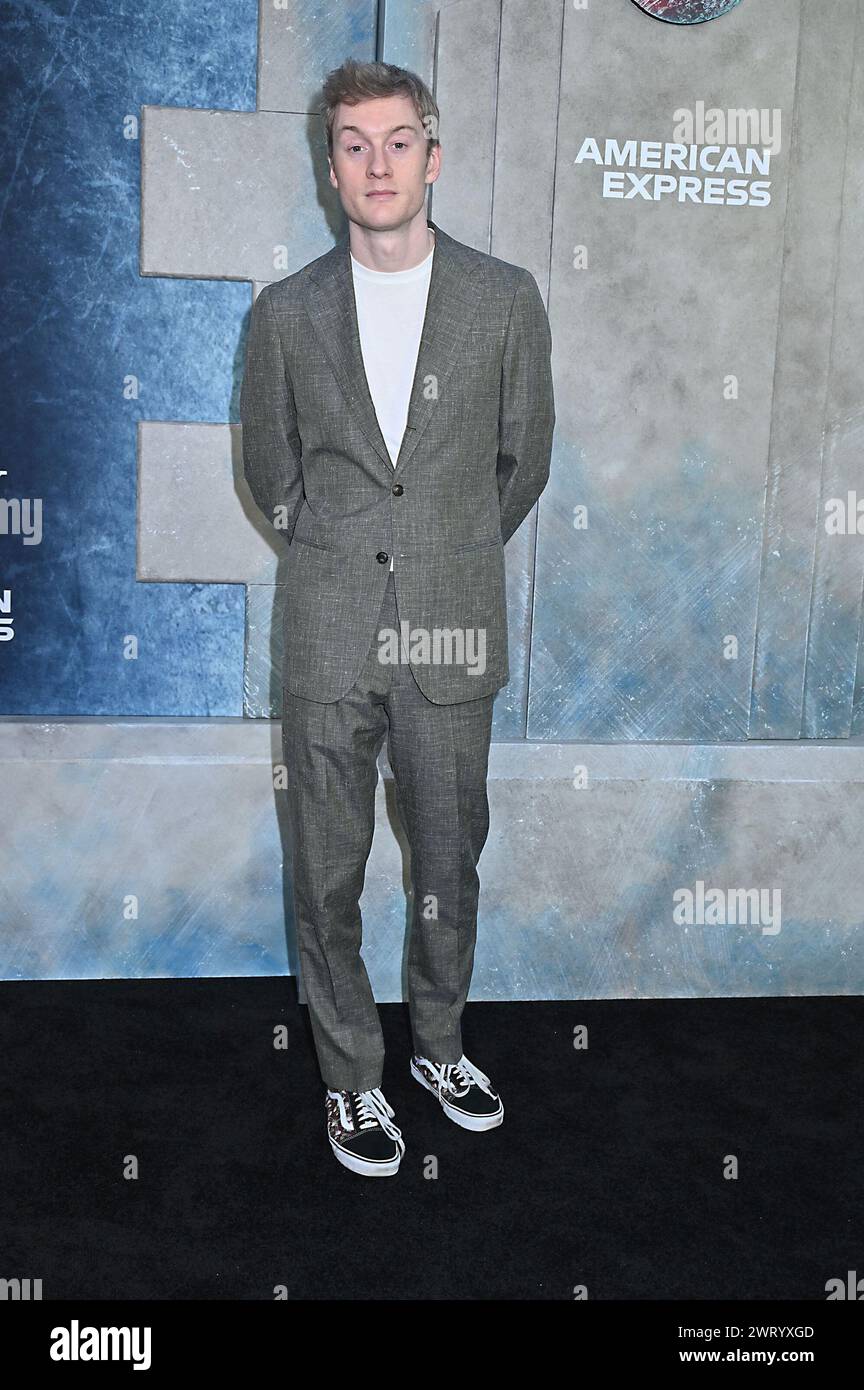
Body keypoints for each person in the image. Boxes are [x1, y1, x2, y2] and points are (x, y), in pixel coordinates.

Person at [240, 58, 555, 1176]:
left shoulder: (505, 298)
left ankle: (437, 1045)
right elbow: (267, 467)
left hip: (451, 628)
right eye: (354, 145)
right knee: (324, 871)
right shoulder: (284, 315)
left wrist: (441, 551)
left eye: (398, 140)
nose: (379, 164)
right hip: (327, 632)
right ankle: (352, 1080)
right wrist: (339, 551)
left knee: (448, 861)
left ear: (435, 151)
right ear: (330, 169)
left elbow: (521, 465)